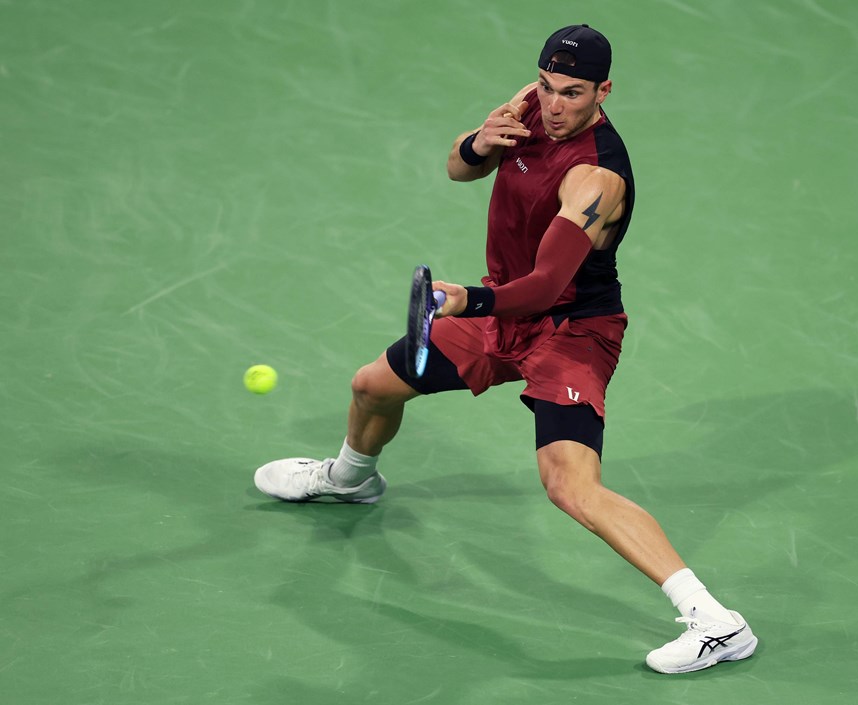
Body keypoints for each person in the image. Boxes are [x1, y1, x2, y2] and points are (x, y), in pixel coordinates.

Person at [253, 24, 757, 674]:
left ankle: (714, 621)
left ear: (605, 91)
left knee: (570, 485)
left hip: (572, 329)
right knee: (373, 385)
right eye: (547, 86)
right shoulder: (532, 104)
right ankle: (352, 478)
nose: (553, 104)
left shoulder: (596, 179)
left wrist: (467, 302)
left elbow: (548, 284)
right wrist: (477, 141)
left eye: (572, 93)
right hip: (500, 308)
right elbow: (461, 168)